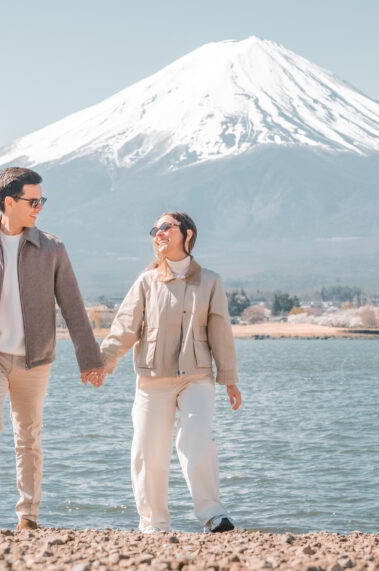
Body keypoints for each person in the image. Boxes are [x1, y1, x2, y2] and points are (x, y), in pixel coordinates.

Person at [0, 166, 106, 531]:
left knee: (28, 434)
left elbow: (73, 306)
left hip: (35, 358)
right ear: (9, 202)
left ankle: (27, 515)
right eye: (33, 201)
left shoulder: (53, 248)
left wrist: (89, 360)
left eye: (41, 200)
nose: (39, 207)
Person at [100, 211, 242, 533]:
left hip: (197, 377)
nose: (158, 233)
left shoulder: (211, 281)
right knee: (147, 449)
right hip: (153, 379)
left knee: (198, 442)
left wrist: (229, 379)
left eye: (166, 227)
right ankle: (154, 524)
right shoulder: (147, 281)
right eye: (154, 229)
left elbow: (221, 332)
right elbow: (125, 326)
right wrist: (103, 362)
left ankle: (213, 515)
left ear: (187, 234)